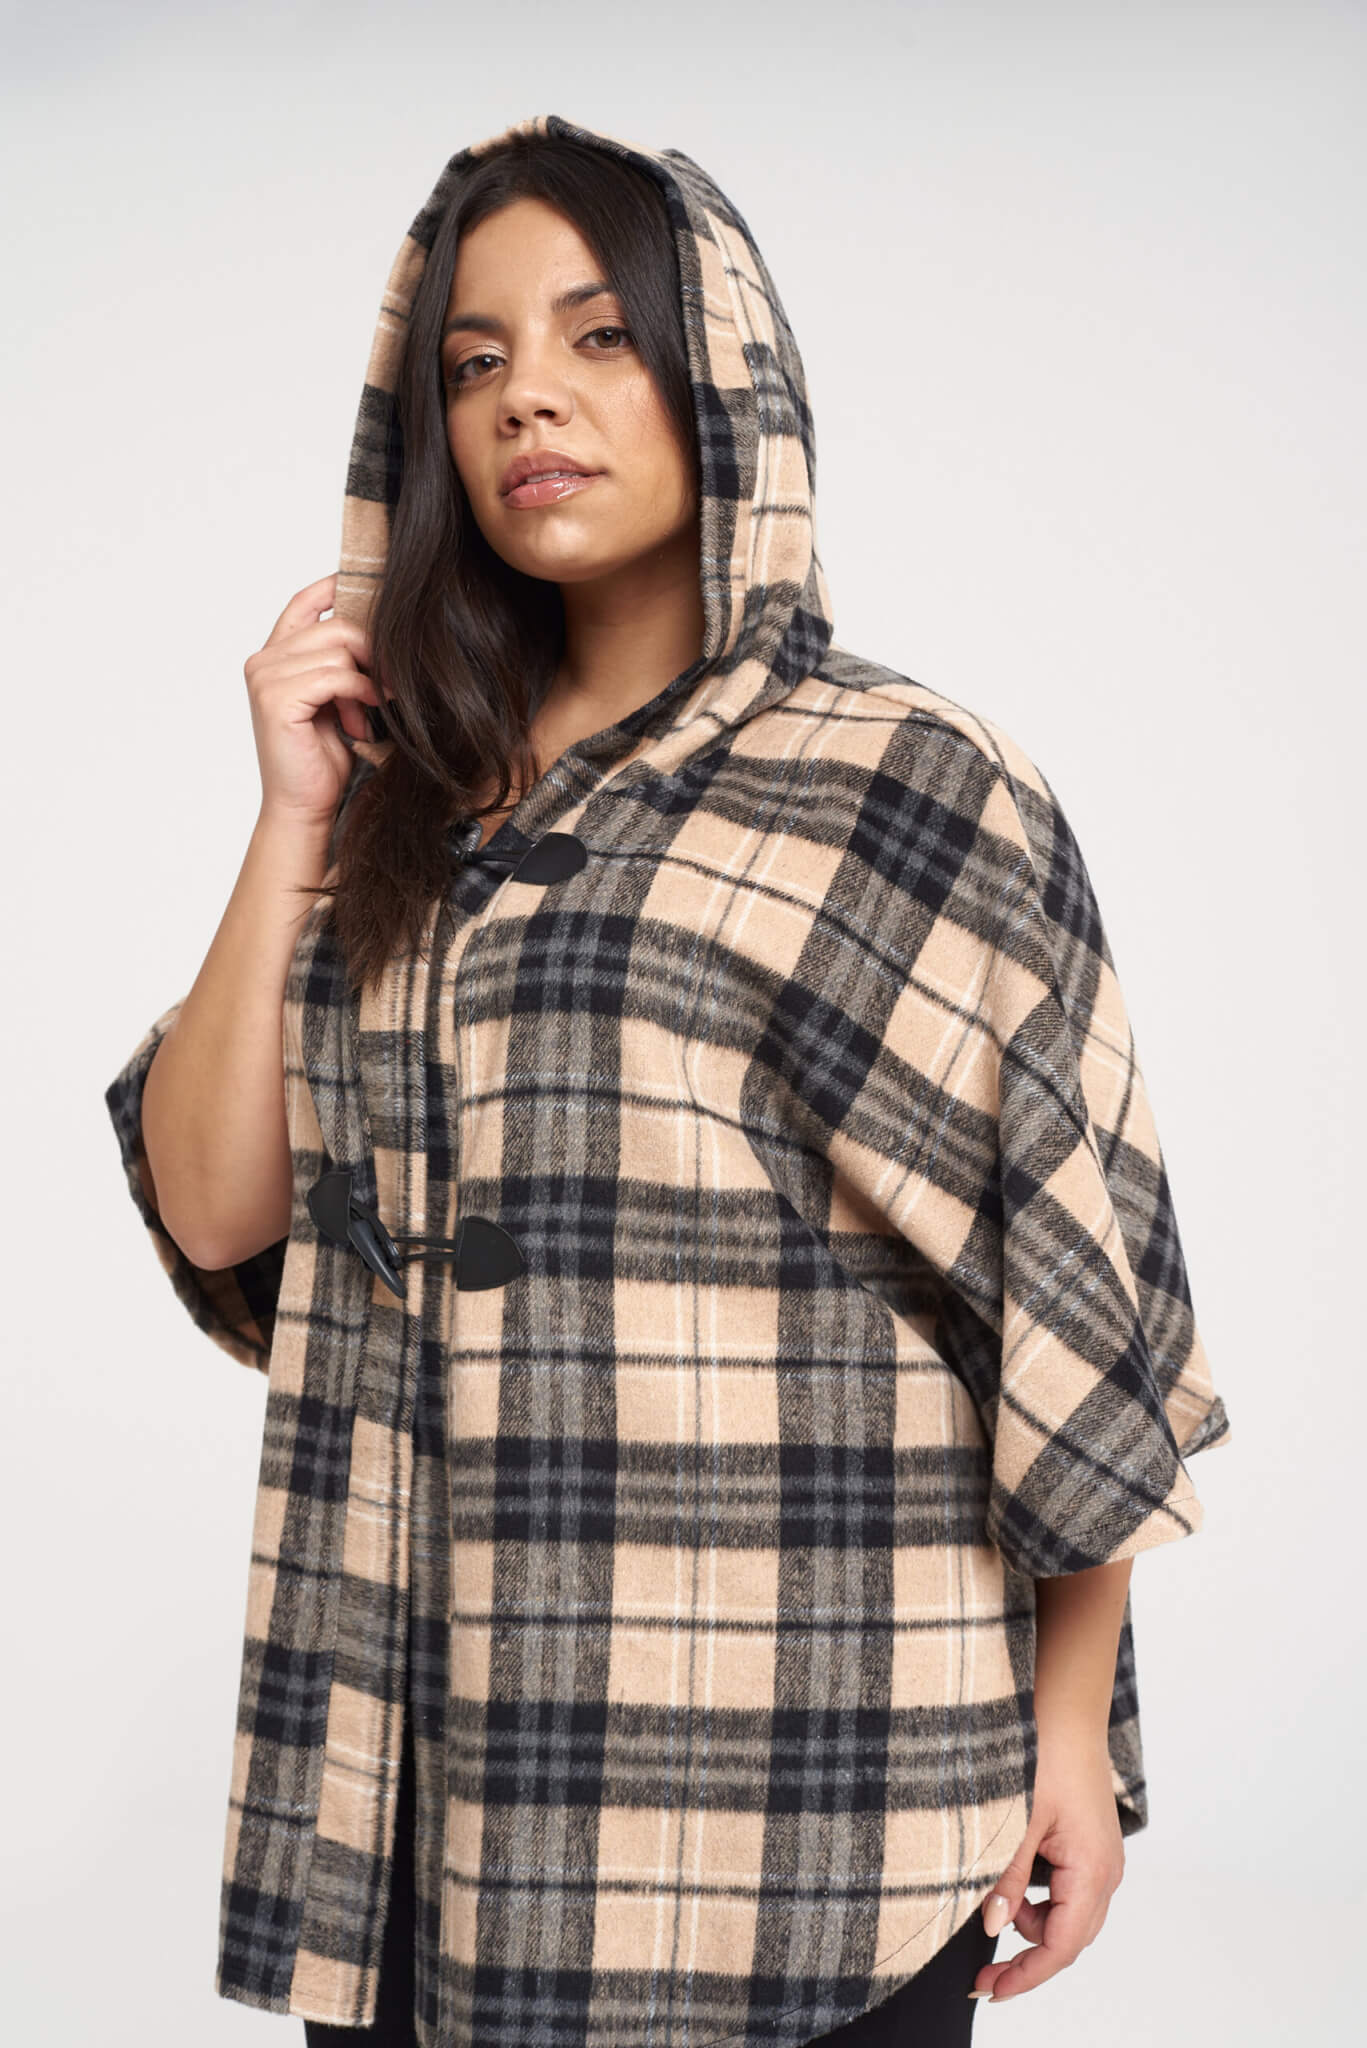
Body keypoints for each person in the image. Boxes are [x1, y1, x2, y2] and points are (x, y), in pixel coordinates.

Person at [104, 115, 1233, 2048]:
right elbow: (219, 1211)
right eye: (474, 361)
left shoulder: (909, 783)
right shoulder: (401, 795)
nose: (527, 396)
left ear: (723, 377)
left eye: (598, 334)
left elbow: (1073, 1294)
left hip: (816, 1797)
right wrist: (294, 816)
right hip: (421, 1790)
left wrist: (1073, 1729)